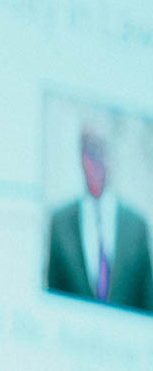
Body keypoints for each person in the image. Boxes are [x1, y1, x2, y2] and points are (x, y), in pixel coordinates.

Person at [44, 122, 152, 313]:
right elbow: (52, 298)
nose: (98, 161)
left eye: (103, 150)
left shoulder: (136, 226)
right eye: (91, 151)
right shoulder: (60, 222)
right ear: (81, 157)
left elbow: (147, 302)